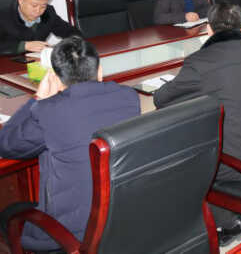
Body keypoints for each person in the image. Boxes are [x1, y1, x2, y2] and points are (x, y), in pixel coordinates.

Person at [0, 36, 139, 252]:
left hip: (65, 234)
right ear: (99, 70)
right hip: (120, 218)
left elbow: (6, 144)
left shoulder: (49, 111)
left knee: (10, 213)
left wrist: (38, 98)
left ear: (55, 78)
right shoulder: (129, 97)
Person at [153, 3, 241, 244]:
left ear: (209, 29)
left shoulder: (200, 62)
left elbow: (161, 99)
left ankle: (225, 220)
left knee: (171, 150)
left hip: (234, 163)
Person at [0, 0, 81, 55]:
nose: (38, 11)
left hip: (36, 61)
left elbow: (70, 32)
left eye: (43, 6)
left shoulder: (48, 13)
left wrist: (63, 46)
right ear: (20, 0)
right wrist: (24, 46)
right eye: (34, 5)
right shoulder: (4, 16)